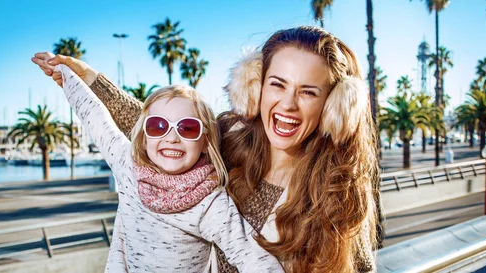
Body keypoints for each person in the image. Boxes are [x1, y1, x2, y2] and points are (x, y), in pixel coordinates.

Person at [33, 26, 378, 273]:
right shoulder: (227, 142)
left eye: (308, 92)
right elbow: (165, 128)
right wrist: (91, 80)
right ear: (255, 86)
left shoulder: (337, 198)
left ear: (335, 107)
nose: (287, 104)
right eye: (277, 84)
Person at [52, 64, 284, 273]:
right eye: (158, 126)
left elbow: (251, 256)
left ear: (205, 142)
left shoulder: (210, 202)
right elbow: (96, 119)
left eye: (188, 128)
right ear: (143, 137)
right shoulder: (127, 166)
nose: (172, 137)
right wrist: (65, 74)